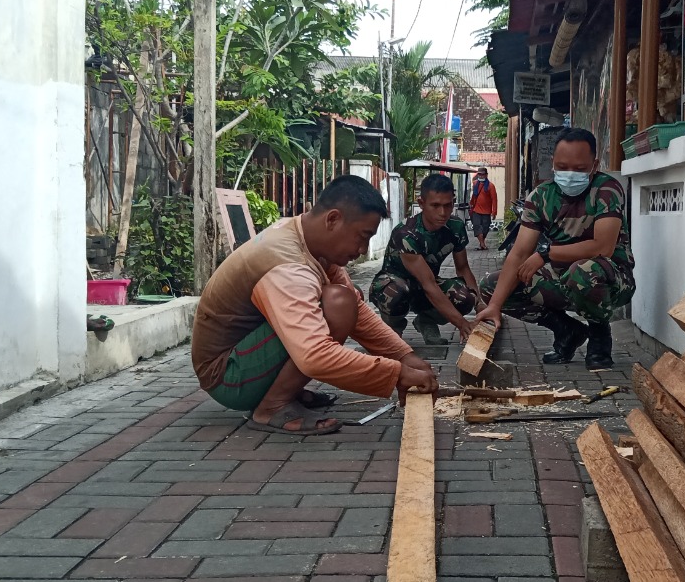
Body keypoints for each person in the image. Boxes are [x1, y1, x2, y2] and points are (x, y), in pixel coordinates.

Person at [191, 175, 438, 435]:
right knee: (337, 304)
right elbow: (315, 356)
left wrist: (406, 357)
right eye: (362, 237)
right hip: (227, 378)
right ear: (332, 219)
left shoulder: (308, 239)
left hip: (244, 361)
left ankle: (280, 393)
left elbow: (358, 313)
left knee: (344, 299)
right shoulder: (288, 266)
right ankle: (272, 407)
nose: (363, 250)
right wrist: (398, 375)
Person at [475, 128, 635, 371]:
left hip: (611, 280)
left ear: (594, 165)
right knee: (491, 286)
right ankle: (567, 330)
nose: (570, 174)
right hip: (562, 279)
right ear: (553, 164)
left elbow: (602, 248)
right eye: (563, 166)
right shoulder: (540, 197)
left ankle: (599, 334)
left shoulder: (606, 189)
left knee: (583, 271)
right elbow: (518, 253)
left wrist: (546, 254)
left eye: (579, 169)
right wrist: (495, 306)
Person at [369, 173, 481, 346]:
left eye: (448, 205)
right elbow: (428, 285)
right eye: (435, 205)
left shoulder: (456, 227)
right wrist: (462, 324)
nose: (443, 212)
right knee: (395, 291)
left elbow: (463, 268)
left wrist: (479, 303)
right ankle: (393, 328)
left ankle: (426, 320)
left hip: (427, 284)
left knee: (465, 297)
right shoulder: (406, 233)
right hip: (395, 285)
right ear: (421, 204)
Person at [469, 167, 498, 250]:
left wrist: (494, 212)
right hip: (476, 210)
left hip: (486, 212)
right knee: (477, 227)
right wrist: (471, 204)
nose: (481, 176)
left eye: (482, 174)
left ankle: (482, 243)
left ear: (486, 175)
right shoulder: (475, 184)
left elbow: (494, 199)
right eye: (479, 174)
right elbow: (474, 196)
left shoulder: (491, 186)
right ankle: (482, 244)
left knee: (485, 229)